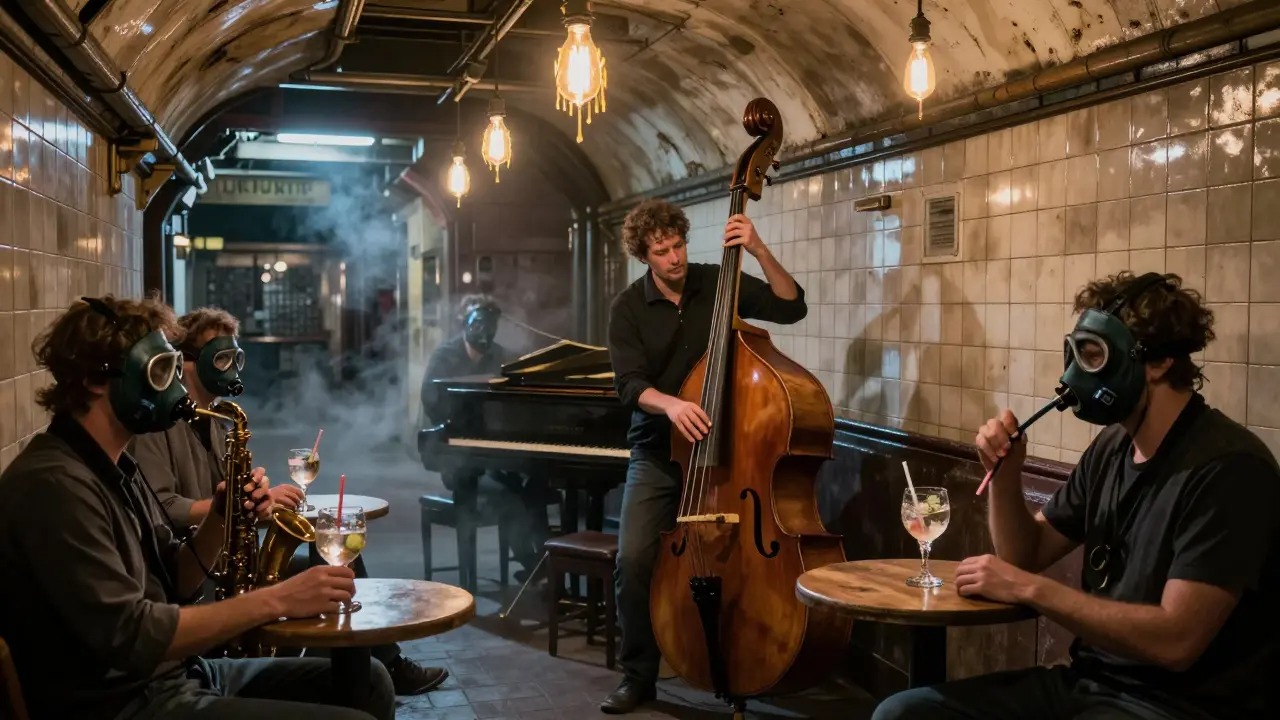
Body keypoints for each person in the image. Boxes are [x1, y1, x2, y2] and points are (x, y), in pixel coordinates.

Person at [874, 271, 1279, 720]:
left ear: (1159, 361)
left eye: (1093, 355)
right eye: (1074, 353)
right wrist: (1005, 475)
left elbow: (1176, 640)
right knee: (906, 713)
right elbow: (1024, 554)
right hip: (1089, 684)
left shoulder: (1229, 468)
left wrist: (1030, 590)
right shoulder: (1112, 447)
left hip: (1174, 705)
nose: (1072, 375)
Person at [0, 295, 394, 720]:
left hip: (176, 675)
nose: (175, 388)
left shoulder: (116, 463)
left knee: (370, 680)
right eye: (160, 371)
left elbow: (177, 580)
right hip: (126, 702)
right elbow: (134, 637)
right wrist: (277, 599)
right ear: (96, 379)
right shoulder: (54, 486)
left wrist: (223, 514)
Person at [131, 306, 449, 696]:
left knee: (333, 552)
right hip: (202, 571)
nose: (231, 366)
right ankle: (362, 671)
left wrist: (256, 497)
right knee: (325, 563)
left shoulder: (217, 417)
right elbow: (165, 506)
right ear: (188, 363)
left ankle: (368, 665)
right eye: (221, 357)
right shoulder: (160, 426)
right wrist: (230, 507)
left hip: (220, 556)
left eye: (235, 356)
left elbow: (224, 497)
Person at [602, 199, 810, 713]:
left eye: (678, 245)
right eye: (661, 251)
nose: (674, 258)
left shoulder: (718, 281)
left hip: (726, 457)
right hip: (657, 453)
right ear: (643, 255)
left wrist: (757, 248)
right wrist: (672, 405)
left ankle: (738, 658)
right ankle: (638, 676)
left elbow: (791, 306)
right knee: (633, 560)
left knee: (739, 560)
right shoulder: (628, 307)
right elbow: (629, 386)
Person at [420, 294, 552, 583]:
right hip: (458, 461)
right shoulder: (445, 355)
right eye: (477, 321)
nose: (483, 330)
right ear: (464, 323)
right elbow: (431, 400)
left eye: (489, 323)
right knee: (509, 496)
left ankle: (548, 563)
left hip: (497, 453)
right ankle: (534, 566)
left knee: (535, 489)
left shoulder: (501, 357)